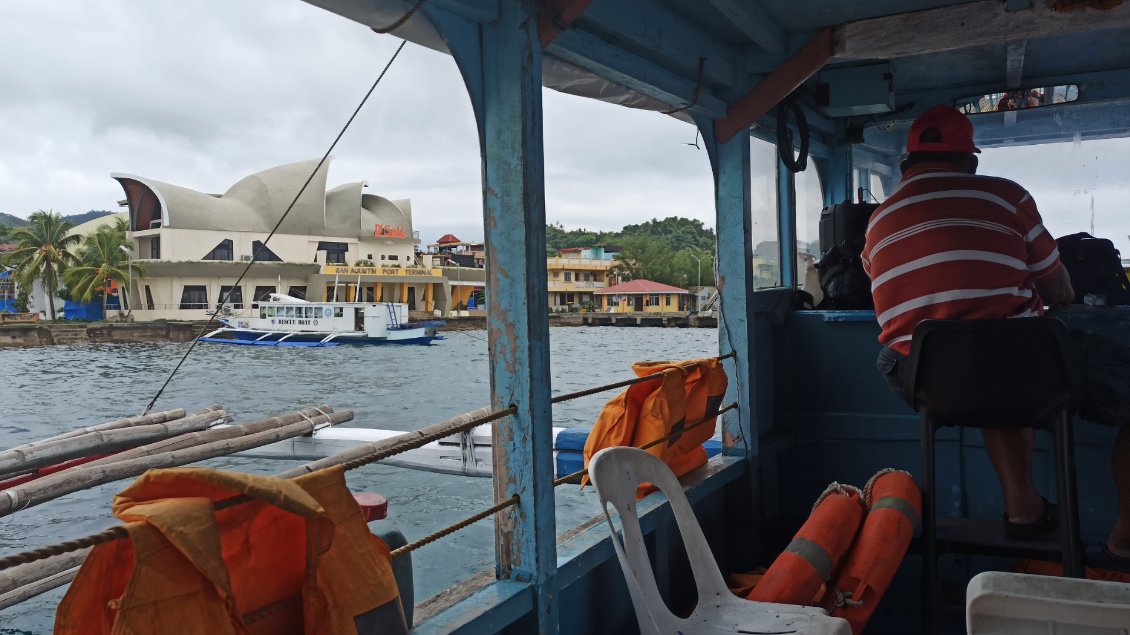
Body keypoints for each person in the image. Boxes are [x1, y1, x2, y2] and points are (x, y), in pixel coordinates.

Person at [862, 104, 1130, 568]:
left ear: (908, 164)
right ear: (970, 161)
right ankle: (1124, 544)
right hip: (1018, 370)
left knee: (983, 358)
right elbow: (1059, 290)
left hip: (927, 380)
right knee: (1009, 351)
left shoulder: (878, 221)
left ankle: (1024, 510)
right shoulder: (1008, 196)